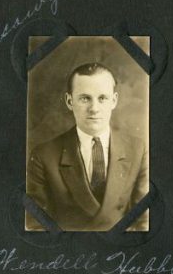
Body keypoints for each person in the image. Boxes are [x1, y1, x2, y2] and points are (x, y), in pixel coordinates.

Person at [26, 63, 148, 231]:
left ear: (114, 100)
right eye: (85, 98)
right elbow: (34, 225)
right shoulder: (43, 155)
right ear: (70, 101)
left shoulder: (137, 149)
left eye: (102, 98)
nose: (94, 109)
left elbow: (144, 221)